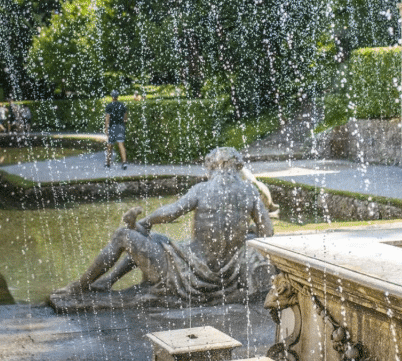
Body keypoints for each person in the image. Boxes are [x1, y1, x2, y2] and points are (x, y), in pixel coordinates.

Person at [52, 147, 272, 304]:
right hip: (224, 276)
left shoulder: (202, 190)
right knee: (158, 240)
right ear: (236, 167)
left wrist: (145, 222)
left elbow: (170, 212)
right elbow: (268, 233)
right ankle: (108, 281)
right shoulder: (250, 193)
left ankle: (78, 287)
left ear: (214, 166)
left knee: (123, 236)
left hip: (189, 275)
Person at [104, 91, 127, 169]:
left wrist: (106, 128)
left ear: (112, 97)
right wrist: (123, 123)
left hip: (112, 127)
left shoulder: (109, 106)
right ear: (117, 97)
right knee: (121, 144)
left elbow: (107, 118)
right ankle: (124, 163)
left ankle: (108, 163)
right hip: (120, 126)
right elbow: (125, 116)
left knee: (110, 145)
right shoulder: (122, 105)